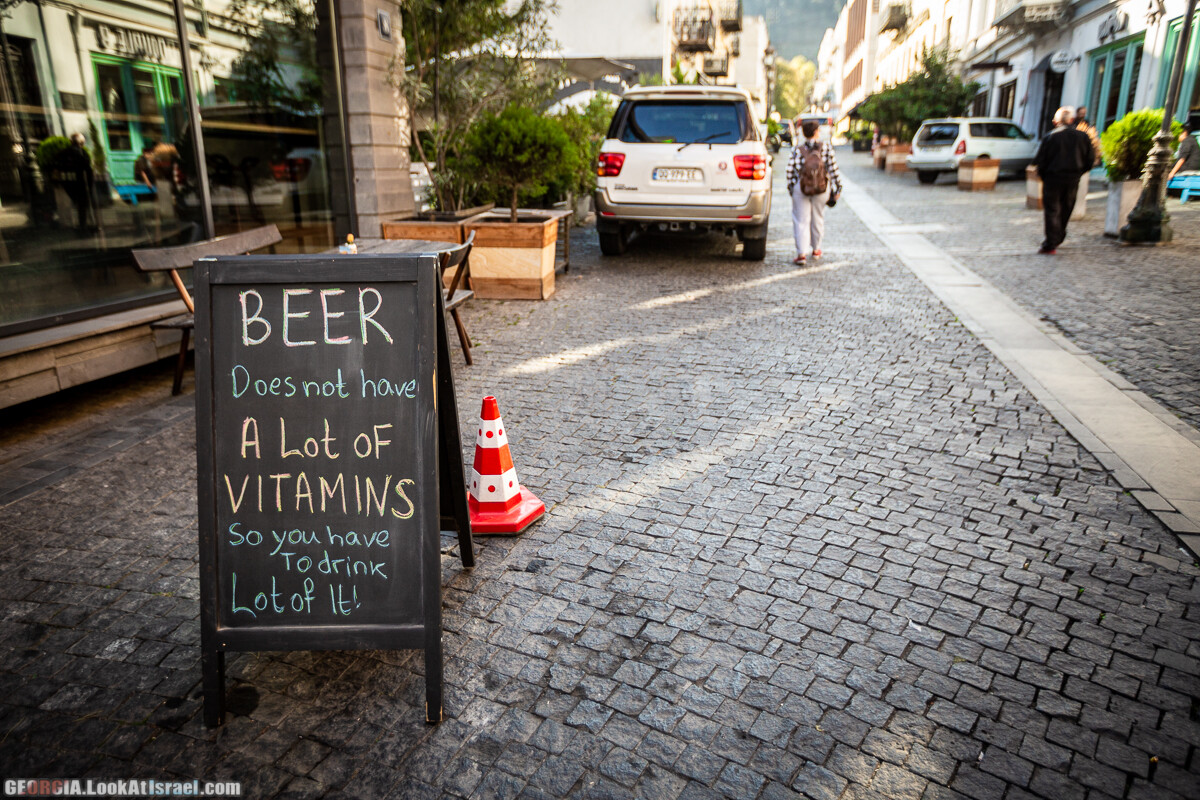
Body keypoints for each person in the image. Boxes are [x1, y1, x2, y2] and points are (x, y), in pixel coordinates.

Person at [1031, 106, 1094, 255]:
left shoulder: (1050, 137)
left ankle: (1051, 242)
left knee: (1053, 209)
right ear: (1071, 120)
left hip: (1053, 178)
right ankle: (1058, 236)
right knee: (1066, 207)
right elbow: (1090, 160)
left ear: (1056, 122)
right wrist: (1079, 172)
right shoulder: (1082, 137)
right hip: (1072, 178)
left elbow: (1040, 161)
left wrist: (1043, 175)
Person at [786, 118, 843, 265]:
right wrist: (838, 187)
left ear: (804, 134)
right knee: (818, 218)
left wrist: (792, 188)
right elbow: (833, 169)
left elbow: (790, 171)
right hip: (821, 188)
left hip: (802, 187)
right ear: (817, 132)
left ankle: (801, 254)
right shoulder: (826, 148)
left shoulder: (797, 150)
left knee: (801, 220)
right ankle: (816, 249)